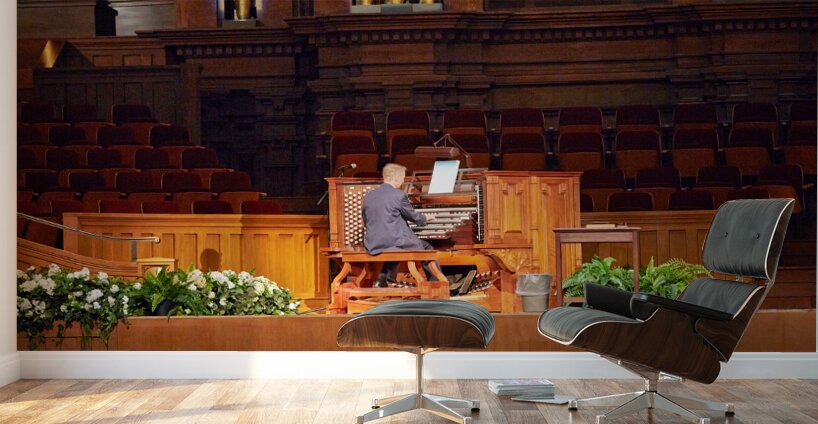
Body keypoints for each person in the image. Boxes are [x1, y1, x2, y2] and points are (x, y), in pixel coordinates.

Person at [362, 163, 436, 287]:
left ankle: (383, 279)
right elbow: (414, 217)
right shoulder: (399, 195)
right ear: (396, 177)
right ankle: (435, 284)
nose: (402, 181)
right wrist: (426, 218)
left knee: (395, 244)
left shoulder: (369, 196)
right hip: (393, 240)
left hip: (373, 242)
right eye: (402, 178)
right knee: (427, 247)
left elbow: (366, 221)